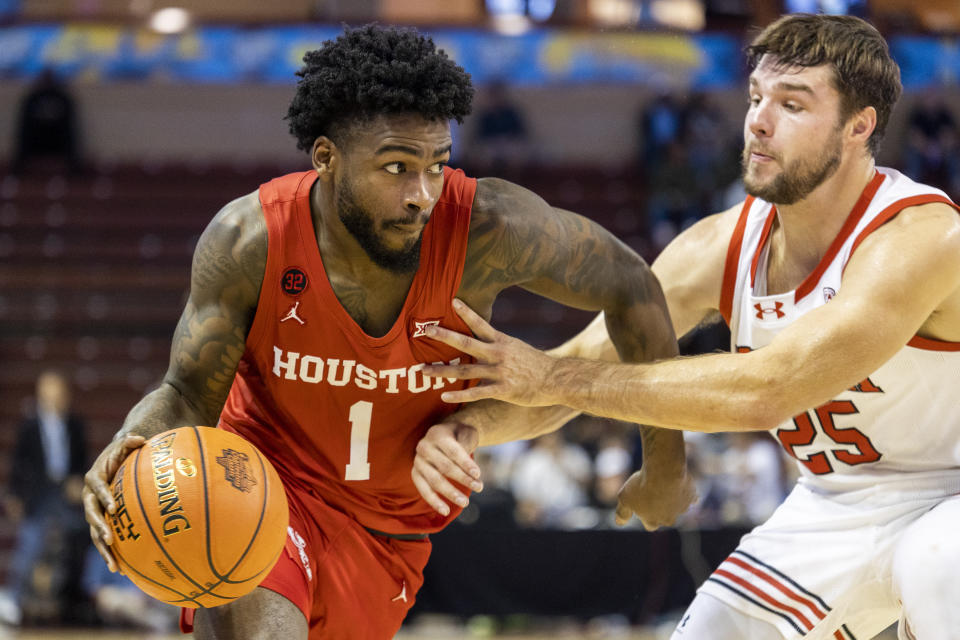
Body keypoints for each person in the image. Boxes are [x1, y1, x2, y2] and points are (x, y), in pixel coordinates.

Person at [80, 24, 693, 640]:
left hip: (391, 531)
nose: (421, 194)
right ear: (326, 158)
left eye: (436, 165)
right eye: (396, 167)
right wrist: (134, 436)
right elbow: (187, 393)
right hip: (265, 486)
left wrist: (666, 462)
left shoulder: (488, 228)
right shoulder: (251, 240)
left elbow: (632, 284)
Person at [414, 14, 960, 640]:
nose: (758, 119)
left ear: (859, 126)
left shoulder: (921, 238)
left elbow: (769, 389)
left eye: (793, 104)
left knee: (938, 569)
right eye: (756, 97)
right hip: (836, 503)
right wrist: (465, 431)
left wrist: (557, 379)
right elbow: (565, 376)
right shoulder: (718, 247)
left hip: (953, 492)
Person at [0, 370, 89, 626]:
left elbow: (83, 462)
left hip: (66, 494)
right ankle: (15, 598)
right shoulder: (29, 426)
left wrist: (78, 481)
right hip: (38, 495)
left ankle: (74, 601)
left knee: (81, 537)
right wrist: (15, 495)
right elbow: (19, 464)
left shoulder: (75, 424)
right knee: (30, 542)